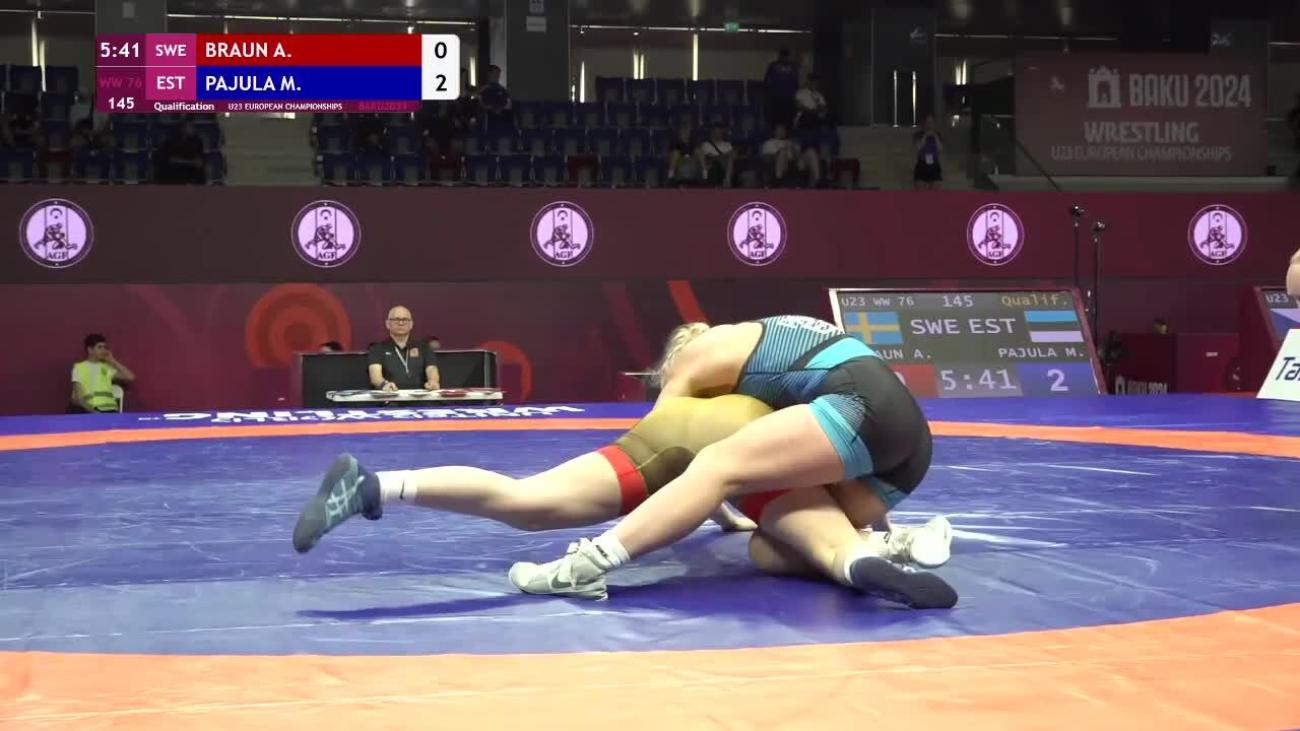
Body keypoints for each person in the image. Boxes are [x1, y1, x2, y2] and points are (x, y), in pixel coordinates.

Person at [292, 393, 954, 601]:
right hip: (737, 449)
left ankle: (378, 484)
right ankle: (868, 553)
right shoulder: (771, 397)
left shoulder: (697, 381)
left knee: (526, 499)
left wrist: (719, 506)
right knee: (808, 539)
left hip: (659, 443)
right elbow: (728, 466)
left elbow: (699, 468)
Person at [508, 316, 957, 609]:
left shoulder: (690, 360)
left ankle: (586, 566)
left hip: (858, 404)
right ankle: (879, 552)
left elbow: (667, 444)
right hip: (908, 448)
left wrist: (706, 499)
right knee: (772, 548)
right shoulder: (756, 344)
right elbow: (817, 457)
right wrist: (886, 524)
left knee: (717, 464)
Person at [367, 305, 439, 391]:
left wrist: (433, 381)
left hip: (419, 397)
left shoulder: (424, 348)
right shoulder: (377, 349)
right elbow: (375, 376)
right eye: (396, 319)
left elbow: (432, 369)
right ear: (387, 324)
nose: (401, 323)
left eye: (405, 319)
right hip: (391, 396)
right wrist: (384, 384)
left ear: (411, 324)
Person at [70, 333, 136, 413]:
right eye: (100, 347)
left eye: (105, 347)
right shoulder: (79, 368)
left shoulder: (106, 367)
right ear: (90, 350)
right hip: (90, 410)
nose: (103, 350)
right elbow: (78, 397)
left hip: (110, 410)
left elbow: (130, 377)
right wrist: (94, 412)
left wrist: (113, 361)